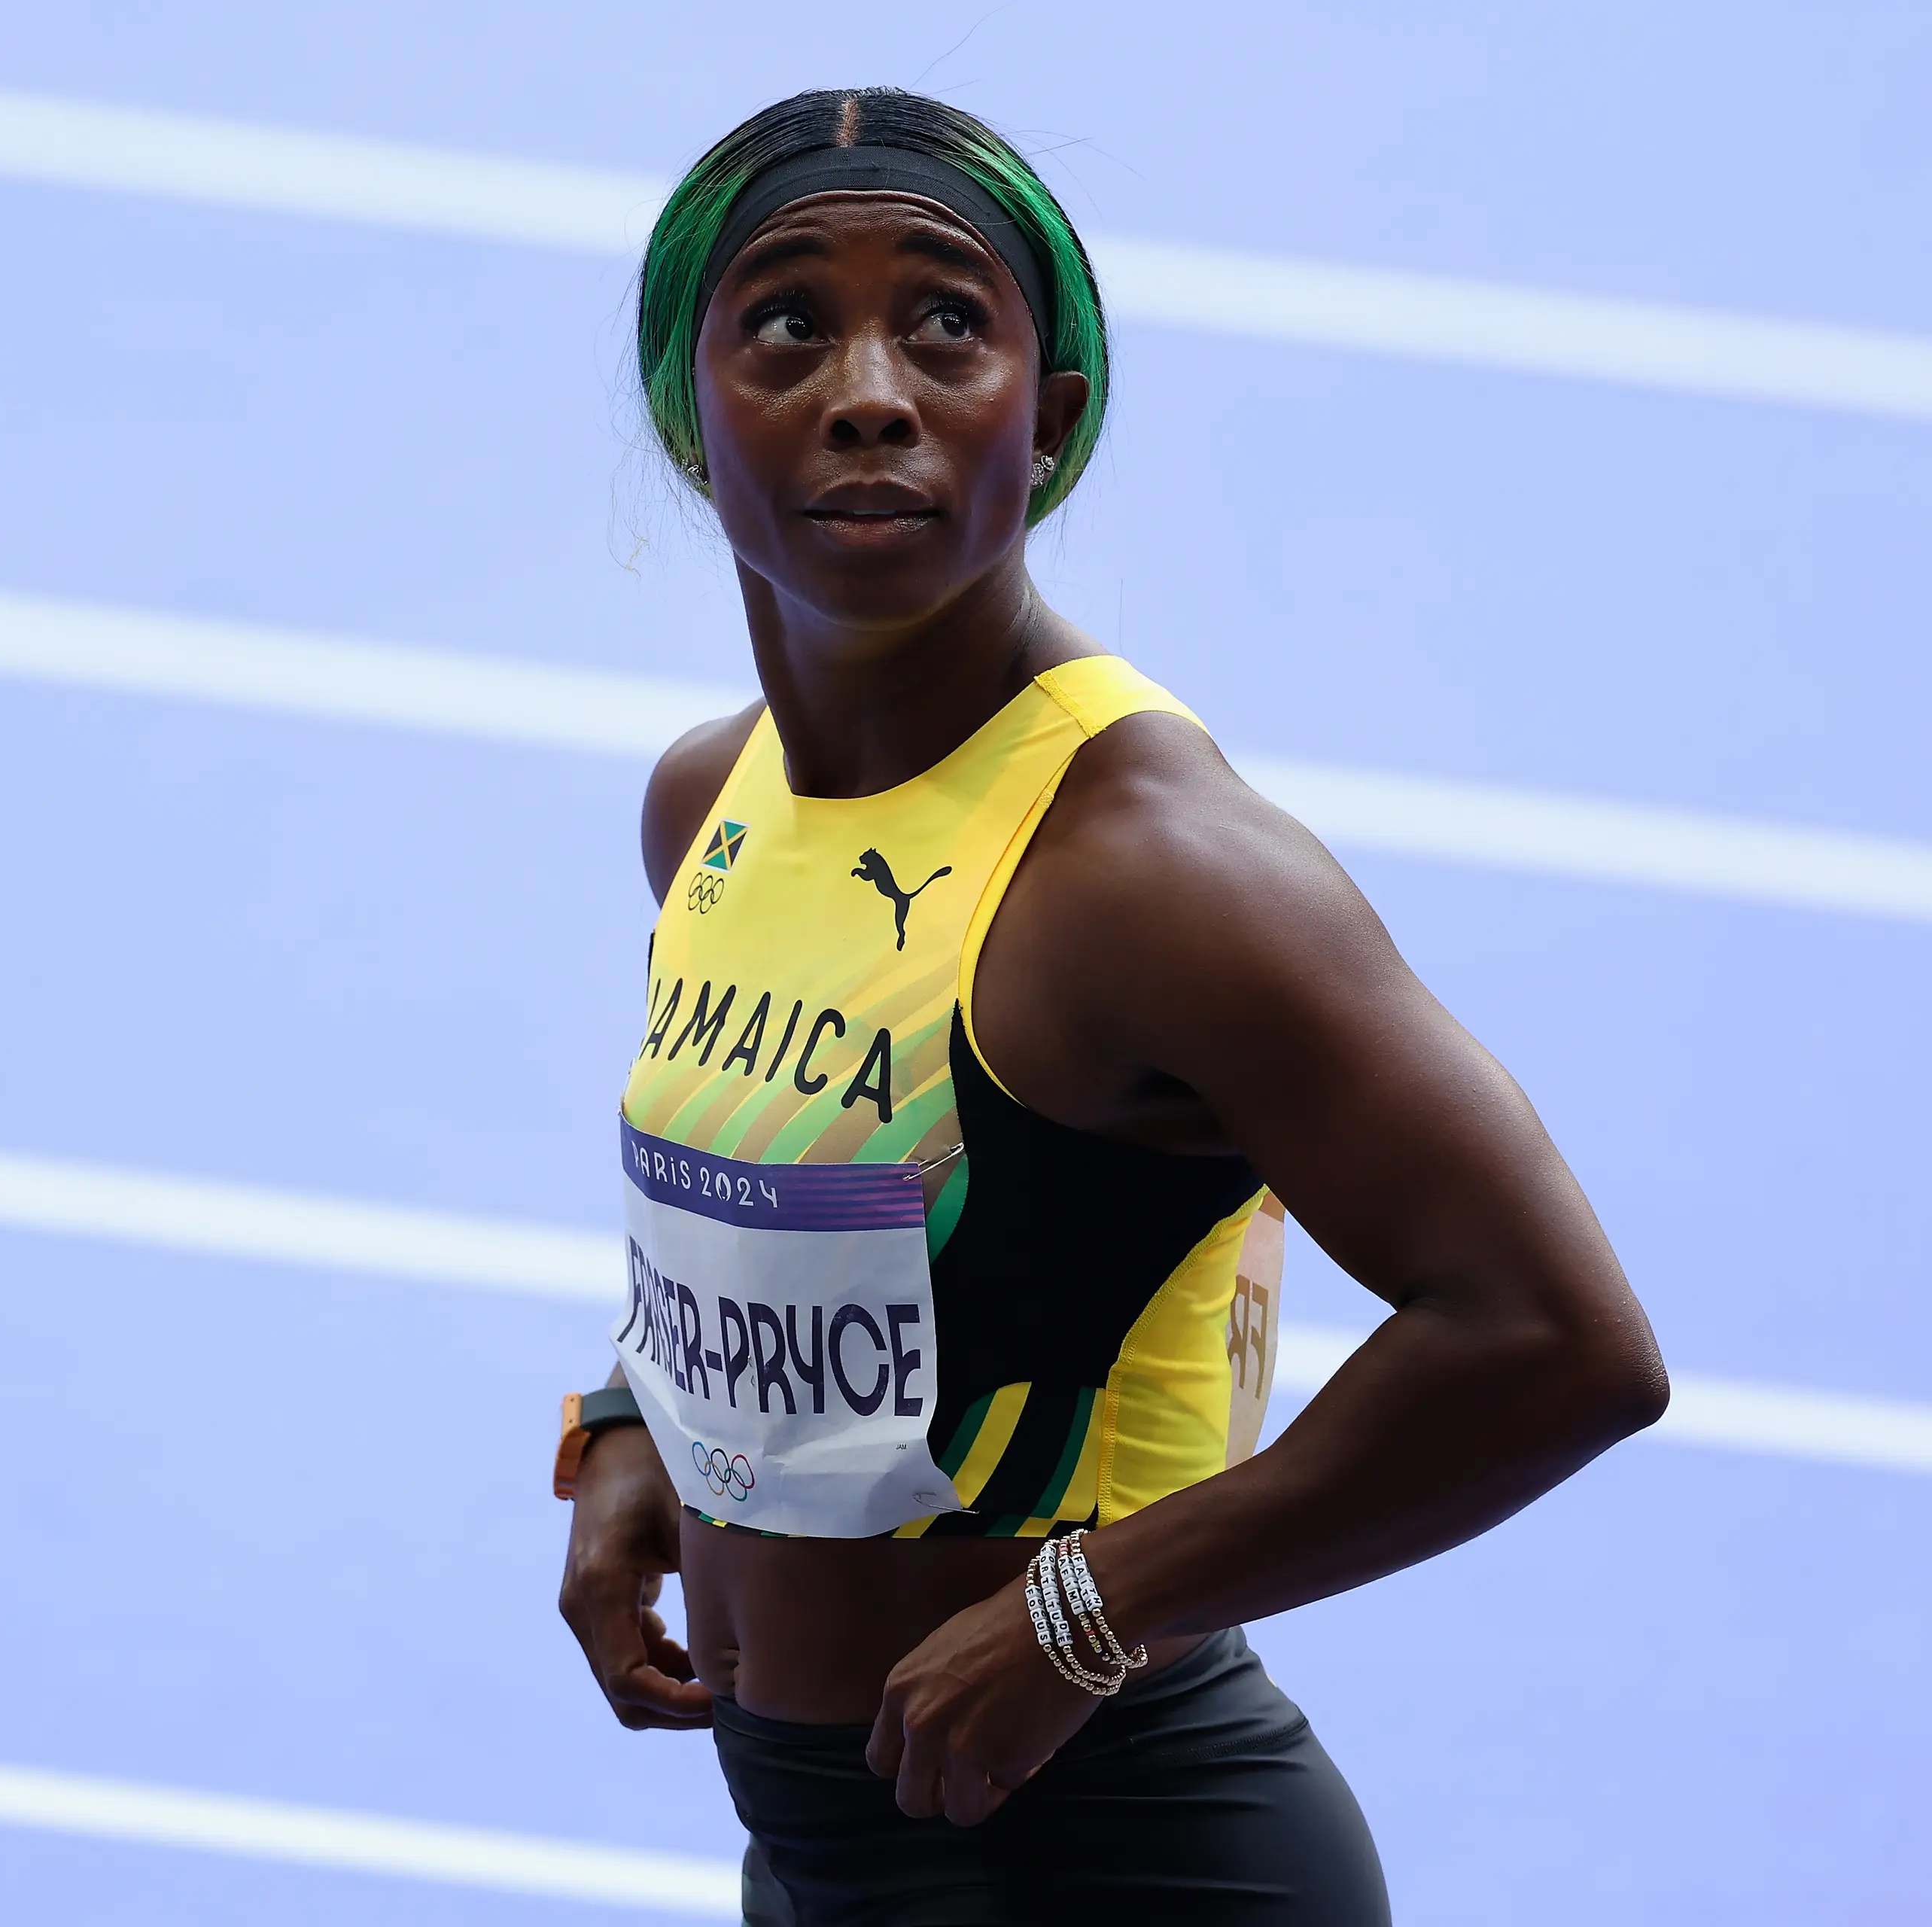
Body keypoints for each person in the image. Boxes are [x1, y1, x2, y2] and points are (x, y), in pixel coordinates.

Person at [555, 86, 1668, 1927]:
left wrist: (1093, 1610)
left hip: (1122, 1859)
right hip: (821, 1857)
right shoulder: (711, 805)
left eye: (946, 324)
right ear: (692, 413)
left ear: (1050, 414)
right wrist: (628, 1424)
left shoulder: (1150, 870)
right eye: (788, 324)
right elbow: (801, 1188)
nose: (870, 392)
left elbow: (1560, 1338)